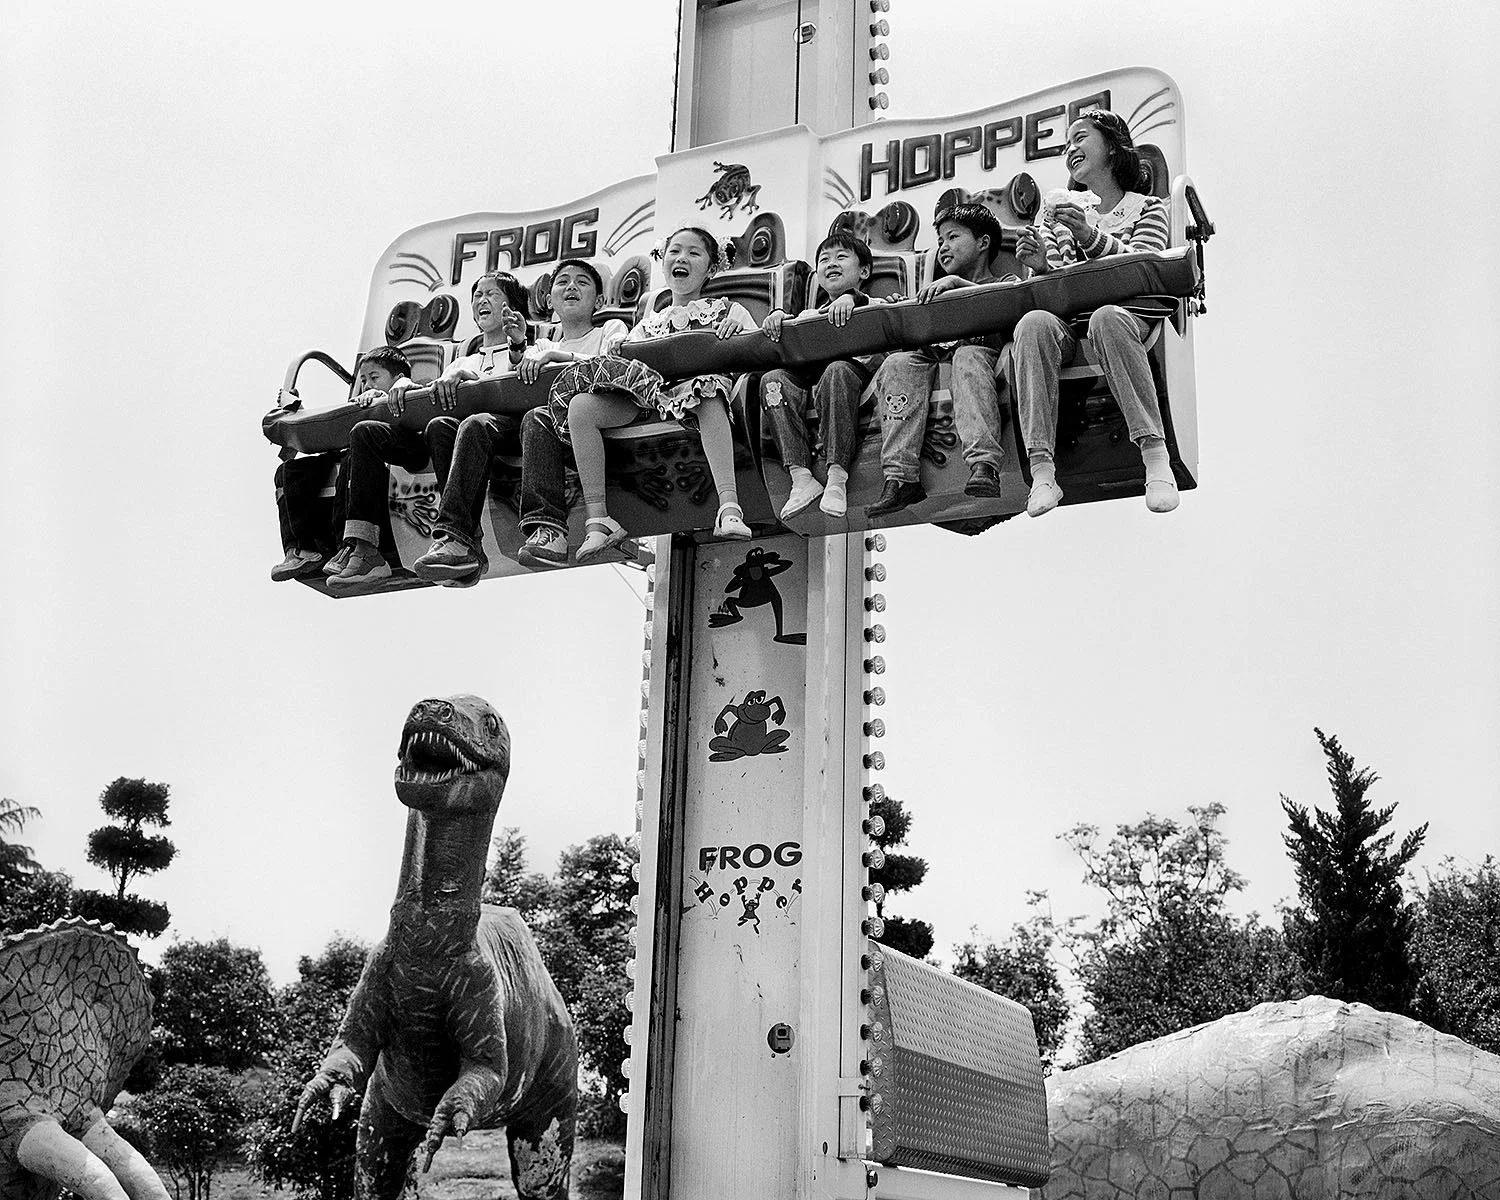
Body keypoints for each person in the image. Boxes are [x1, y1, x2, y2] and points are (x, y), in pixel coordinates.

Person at [544, 225, 757, 562]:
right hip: (650, 399)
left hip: (700, 397)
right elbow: (626, 366)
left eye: (693, 252)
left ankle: (729, 506)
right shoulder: (649, 322)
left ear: (711, 267)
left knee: (707, 390)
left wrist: (737, 336)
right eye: (674, 251)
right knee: (581, 407)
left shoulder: (729, 311)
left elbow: (756, 349)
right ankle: (598, 518)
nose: (681, 258)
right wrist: (619, 349)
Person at [413, 261, 629, 581]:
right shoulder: (544, 346)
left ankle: (548, 527)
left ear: (599, 300)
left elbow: (616, 365)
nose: (571, 287)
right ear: (550, 300)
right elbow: (521, 374)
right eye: (562, 283)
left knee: (536, 417)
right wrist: (519, 347)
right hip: (532, 430)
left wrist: (543, 354)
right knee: (463, 425)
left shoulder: (602, 332)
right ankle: (457, 538)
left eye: (582, 282)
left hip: (586, 427)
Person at [1009, 107, 1176, 517]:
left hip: (1127, 313)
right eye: (1067, 143)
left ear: (1114, 147)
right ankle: (1042, 471)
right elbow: (1057, 281)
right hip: (1068, 323)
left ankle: (1156, 459)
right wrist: (1040, 265)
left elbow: (1142, 267)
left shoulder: (1148, 208)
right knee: (1032, 323)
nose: (1071, 149)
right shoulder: (1057, 215)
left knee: (1107, 316)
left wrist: (1090, 235)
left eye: (1080, 137)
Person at [325, 271, 529, 592]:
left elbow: (529, 372)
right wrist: (403, 385)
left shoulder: (531, 346)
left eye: (492, 294)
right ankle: (444, 542)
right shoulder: (463, 361)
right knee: (436, 426)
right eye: (477, 296)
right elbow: (432, 398)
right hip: (464, 437)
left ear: (513, 306)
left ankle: (458, 536)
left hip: (512, 432)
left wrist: (518, 343)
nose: (482, 300)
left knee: (472, 425)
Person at [866, 202, 1013, 516]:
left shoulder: (1005, 284)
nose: (944, 247)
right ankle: (900, 477)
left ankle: (984, 464)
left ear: (983, 243)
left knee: (968, 356)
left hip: (976, 359)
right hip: (932, 361)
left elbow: (1006, 309)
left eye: (953, 237)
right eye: (941, 240)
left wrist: (959, 286)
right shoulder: (932, 291)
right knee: (897, 364)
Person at [758, 231, 882, 519]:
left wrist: (853, 299)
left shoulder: (873, 305)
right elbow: (790, 338)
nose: (831, 263)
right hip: (811, 380)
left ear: (863, 271)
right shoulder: (809, 314)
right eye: (824, 259)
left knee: (836, 371)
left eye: (841, 257)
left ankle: (837, 476)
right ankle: (801, 477)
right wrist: (778, 316)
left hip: (853, 380)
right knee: (772, 380)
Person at [269, 346, 411, 581]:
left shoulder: (402, 394)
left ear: (397, 378)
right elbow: (332, 435)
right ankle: (302, 548)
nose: (367, 385)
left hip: (388, 461)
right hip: (352, 452)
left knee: (350, 462)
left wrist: (384, 396)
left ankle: (351, 545)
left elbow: (406, 399)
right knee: (290, 472)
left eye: (374, 378)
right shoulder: (360, 404)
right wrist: (297, 413)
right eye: (363, 380)